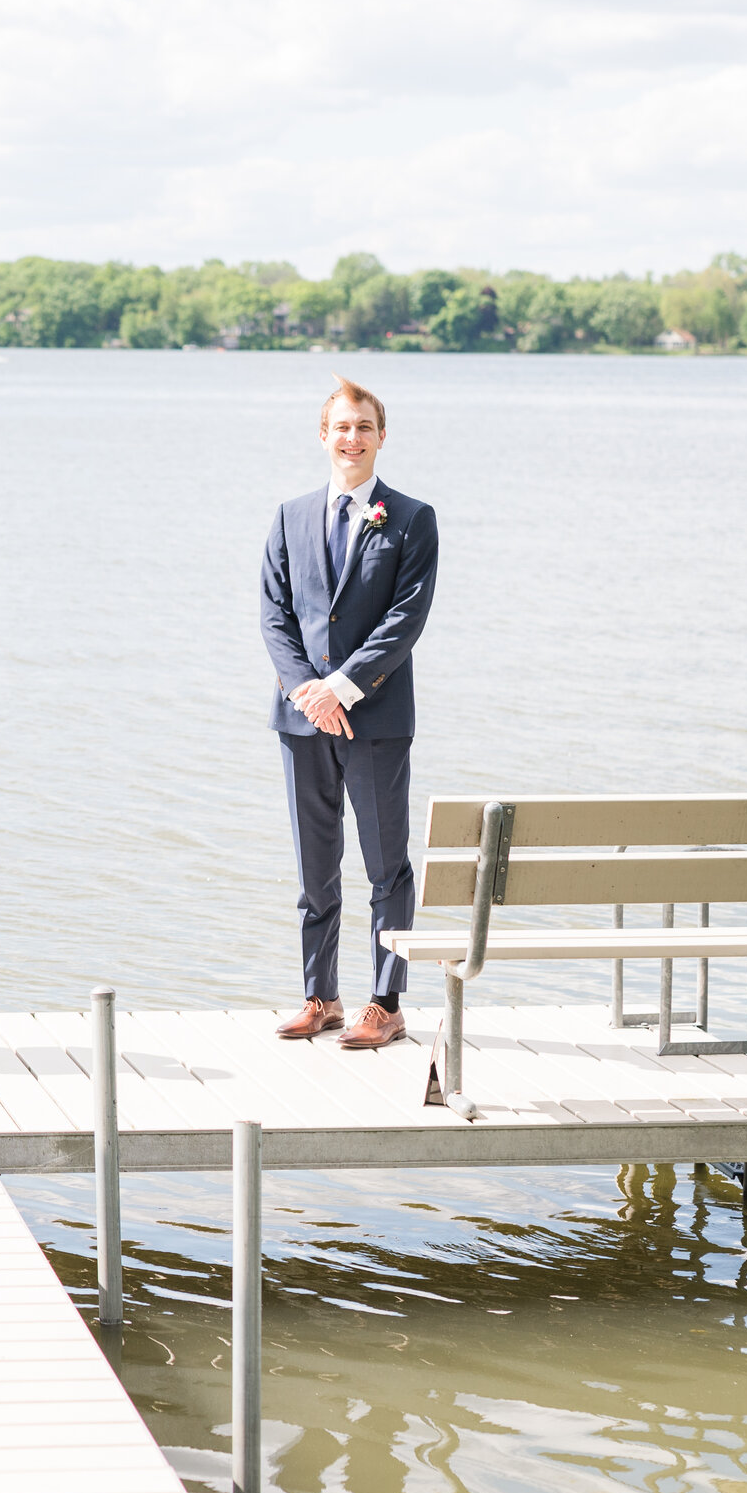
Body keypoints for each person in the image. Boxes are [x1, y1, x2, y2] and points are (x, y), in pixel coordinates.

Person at [258, 378, 439, 1050]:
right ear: (324, 434)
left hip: (377, 719)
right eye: (341, 426)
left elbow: (405, 619)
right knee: (315, 867)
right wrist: (309, 688)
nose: (352, 438)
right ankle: (321, 996)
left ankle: (384, 1003)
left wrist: (343, 685)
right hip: (302, 720)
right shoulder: (290, 515)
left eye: (363, 426)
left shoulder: (412, 518)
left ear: (381, 436)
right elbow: (275, 614)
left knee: (386, 864)